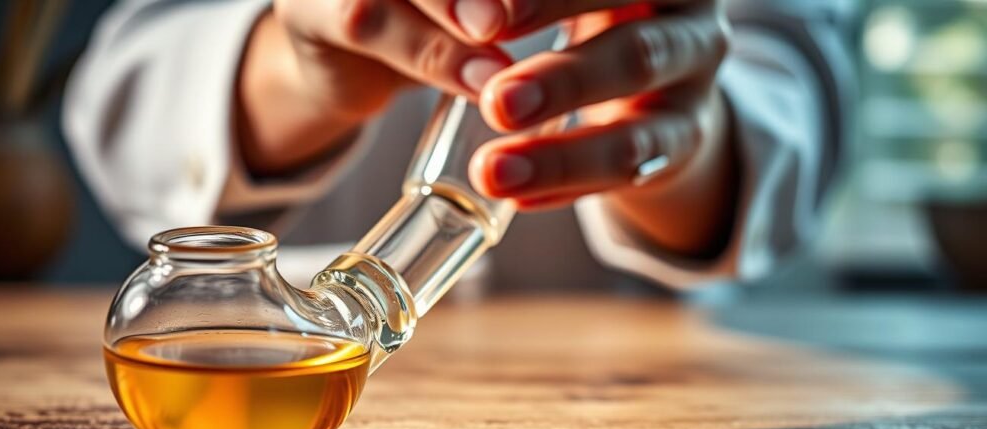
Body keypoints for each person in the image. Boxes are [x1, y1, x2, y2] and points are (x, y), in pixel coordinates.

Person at [63, 0, 853, 291]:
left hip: (639, 392)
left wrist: (682, 144)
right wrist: (291, 71)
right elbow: (124, 90)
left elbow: (795, 80)